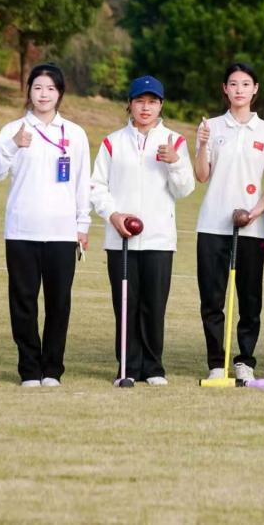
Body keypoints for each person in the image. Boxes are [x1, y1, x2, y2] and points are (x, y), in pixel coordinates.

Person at [0, 63, 90, 388]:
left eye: (51, 89)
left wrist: (82, 225)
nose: (44, 94)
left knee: (59, 304)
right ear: (29, 91)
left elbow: (82, 183)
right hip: (22, 231)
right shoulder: (13, 129)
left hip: (61, 233)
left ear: (60, 93)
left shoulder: (74, 133)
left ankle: (52, 370)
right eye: (38, 88)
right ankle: (29, 369)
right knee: (23, 302)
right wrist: (13, 144)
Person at [90, 75, 195, 386]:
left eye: (152, 102)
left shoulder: (175, 141)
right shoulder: (112, 142)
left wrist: (175, 163)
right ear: (130, 104)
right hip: (120, 238)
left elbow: (185, 189)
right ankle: (127, 367)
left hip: (159, 239)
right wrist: (113, 215)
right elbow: (96, 186)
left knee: (154, 305)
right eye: (140, 101)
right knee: (125, 304)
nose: (145, 108)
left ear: (161, 105)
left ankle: (153, 367)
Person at [193, 62, 264, 382]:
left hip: (252, 227)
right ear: (225, 89)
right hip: (212, 224)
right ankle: (217, 362)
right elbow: (202, 175)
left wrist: (256, 211)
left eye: (245, 84)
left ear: (255, 89)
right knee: (212, 298)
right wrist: (202, 144)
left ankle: (245, 360)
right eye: (233, 84)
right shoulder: (211, 127)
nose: (239, 89)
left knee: (250, 298)